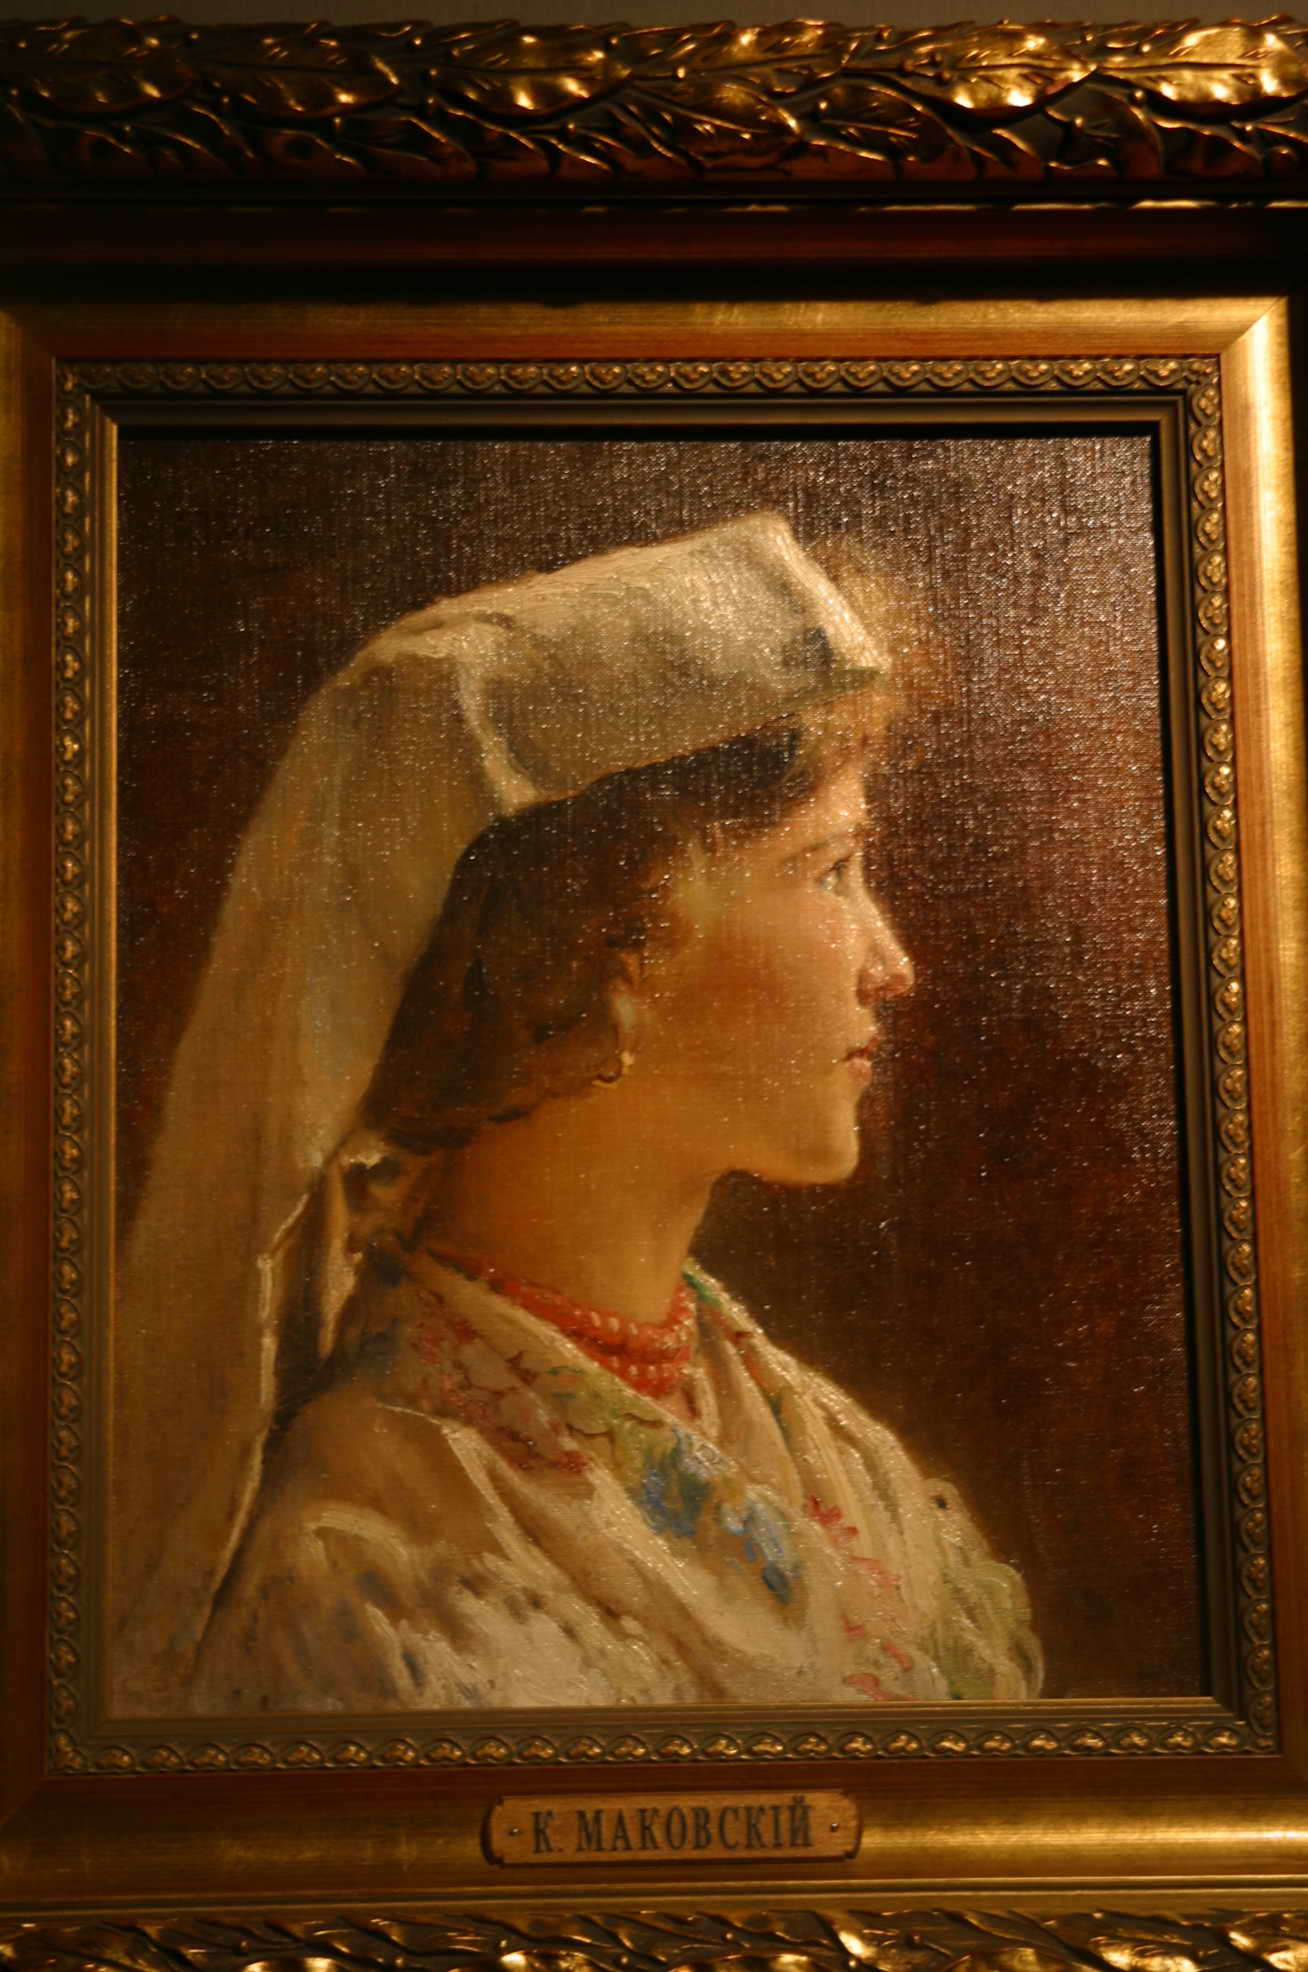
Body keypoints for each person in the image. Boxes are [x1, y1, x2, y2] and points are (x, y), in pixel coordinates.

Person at [111, 512, 1040, 1716]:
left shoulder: (832, 1451)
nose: (892, 964)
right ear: (605, 942)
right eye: (827, 870)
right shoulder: (384, 1568)